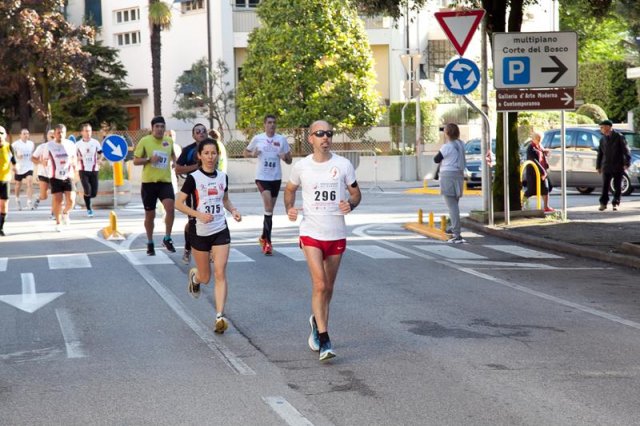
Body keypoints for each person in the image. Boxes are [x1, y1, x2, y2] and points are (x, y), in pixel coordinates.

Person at [284, 120, 361, 362]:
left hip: (336, 233)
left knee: (328, 287)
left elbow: (356, 193)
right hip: (311, 233)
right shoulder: (301, 166)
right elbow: (289, 190)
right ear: (311, 138)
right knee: (319, 285)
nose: (325, 137)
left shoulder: (343, 165)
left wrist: (351, 203)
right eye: (320, 134)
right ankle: (324, 338)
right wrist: (290, 208)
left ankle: (315, 320)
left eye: (328, 133)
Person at [175, 137, 242, 334]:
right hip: (200, 232)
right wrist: (198, 215)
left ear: (217, 155)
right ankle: (195, 278)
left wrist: (233, 210)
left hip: (220, 229)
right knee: (206, 277)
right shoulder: (194, 178)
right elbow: (179, 203)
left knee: (220, 273)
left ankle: (220, 316)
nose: (210, 157)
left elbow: (226, 200)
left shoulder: (223, 177)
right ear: (200, 156)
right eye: (206, 153)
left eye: (213, 153)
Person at [244, 115, 292, 255]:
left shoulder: (281, 140)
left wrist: (285, 157)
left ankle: (263, 236)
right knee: (268, 206)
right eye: (269, 123)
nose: (272, 125)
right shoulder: (258, 138)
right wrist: (252, 153)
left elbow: (289, 159)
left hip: (276, 177)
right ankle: (268, 243)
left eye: (274, 123)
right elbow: (245, 152)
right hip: (262, 177)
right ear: (264, 124)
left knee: (270, 211)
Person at [133, 116, 177, 255]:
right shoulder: (145, 141)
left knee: (170, 208)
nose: (159, 129)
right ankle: (150, 242)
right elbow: (135, 160)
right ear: (152, 128)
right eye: (157, 126)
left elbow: (173, 154)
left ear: (165, 129)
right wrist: (148, 159)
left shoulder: (169, 141)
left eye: (162, 126)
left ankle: (167, 238)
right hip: (149, 184)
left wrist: (175, 162)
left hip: (165, 182)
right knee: (150, 216)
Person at [175, 123, 209, 264]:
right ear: (193, 135)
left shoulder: (212, 147)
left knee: (211, 218)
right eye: (197, 131)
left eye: (203, 131)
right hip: (192, 188)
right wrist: (197, 167)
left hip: (209, 188)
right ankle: (188, 248)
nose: (201, 133)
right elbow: (177, 169)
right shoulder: (188, 150)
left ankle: (210, 249)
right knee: (193, 220)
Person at [434, 123, 467, 244]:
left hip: (448, 176)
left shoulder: (446, 147)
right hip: (459, 175)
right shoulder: (461, 144)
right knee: (454, 204)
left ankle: (457, 234)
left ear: (447, 133)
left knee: (452, 206)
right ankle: (453, 227)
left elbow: (436, 159)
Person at [44, 124, 77, 231]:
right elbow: (44, 160)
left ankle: (65, 213)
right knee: (57, 200)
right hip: (55, 176)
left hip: (68, 175)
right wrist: (45, 168)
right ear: (55, 134)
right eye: (58, 132)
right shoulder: (49, 146)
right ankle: (58, 223)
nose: (60, 134)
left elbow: (74, 158)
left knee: (71, 201)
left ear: (65, 133)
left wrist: (75, 167)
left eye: (62, 132)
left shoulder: (70, 144)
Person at [596, 119, 631, 211]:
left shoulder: (619, 136)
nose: (601, 129)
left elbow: (626, 150)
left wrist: (627, 162)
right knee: (605, 185)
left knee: (617, 185)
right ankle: (603, 203)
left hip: (617, 165)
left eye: (602, 127)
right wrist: (598, 166)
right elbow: (600, 153)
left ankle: (615, 202)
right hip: (606, 165)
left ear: (608, 127)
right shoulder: (602, 139)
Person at [75, 124, 103, 217]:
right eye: (86, 131)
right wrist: (77, 158)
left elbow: (101, 153)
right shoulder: (77, 144)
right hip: (83, 170)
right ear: (82, 132)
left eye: (90, 131)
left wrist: (100, 159)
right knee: (87, 189)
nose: (88, 133)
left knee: (93, 193)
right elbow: (73, 156)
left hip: (94, 170)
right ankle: (89, 209)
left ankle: (87, 199)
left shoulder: (95, 142)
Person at [523, 131, 554, 213]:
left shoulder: (539, 145)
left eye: (540, 139)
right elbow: (535, 161)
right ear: (533, 139)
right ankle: (521, 204)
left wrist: (545, 152)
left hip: (542, 171)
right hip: (533, 173)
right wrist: (542, 171)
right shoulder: (531, 148)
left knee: (546, 188)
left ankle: (546, 206)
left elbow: (541, 154)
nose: (539, 140)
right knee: (531, 190)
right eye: (537, 138)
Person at [31, 130, 54, 215]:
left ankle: (54, 213)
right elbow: (33, 158)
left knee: (56, 194)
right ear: (47, 137)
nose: (52, 136)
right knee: (44, 196)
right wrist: (41, 162)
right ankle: (38, 198)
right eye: (50, 135)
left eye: (53, 135)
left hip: (55, 174)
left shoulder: (60, 146)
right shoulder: (42, 147)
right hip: (43, 173)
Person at [11, 129, 35, 210]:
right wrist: (17, 157)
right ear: (20, 135)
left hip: (29, 166)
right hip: (19, 167)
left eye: (27, 133)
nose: (26, 135)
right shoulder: (15, 144)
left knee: (30, 182)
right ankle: (17, 200)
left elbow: (32, 154)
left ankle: (29, 202)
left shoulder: (31, 144)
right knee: (18, 185)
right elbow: (10, 154)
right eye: (24, 134)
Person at [0, 126, 16, 236]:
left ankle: (1, 227)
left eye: (1, 133)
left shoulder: (9, 147)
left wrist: (16, 167)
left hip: (5, 180)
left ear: (5, 135)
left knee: (4, 205)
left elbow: (14, 161)